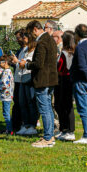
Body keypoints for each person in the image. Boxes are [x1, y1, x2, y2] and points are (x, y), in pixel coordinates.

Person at [20, 20, 58, 148]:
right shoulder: (51, 39)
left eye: (32, 33)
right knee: (48, 108)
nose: (32, 36)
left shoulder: (42, 42)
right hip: (50, 79)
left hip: (42, 80)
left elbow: (38, 64)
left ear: (36, 29)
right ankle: (50, 135)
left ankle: (47, 138)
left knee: (44, 109)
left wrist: (25, 64)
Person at [13, 31, 38, 136]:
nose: (22, 39)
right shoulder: (24, 49)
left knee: (30, 103)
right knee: (22, 102)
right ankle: (25, 124)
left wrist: (17, 62)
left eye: (24, 37)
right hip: (22, 78)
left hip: (29, 77)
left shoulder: (34, 50)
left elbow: (27, 63)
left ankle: (32, 125)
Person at [54, 30, 76, 142]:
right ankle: (64, 129)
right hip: (64, 79)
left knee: (66, 106)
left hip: (65, 79)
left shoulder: (66, 53)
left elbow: (62, 67)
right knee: (61, 105)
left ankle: (69, 130)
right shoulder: (70, 52)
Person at [0, 55, 15, 135]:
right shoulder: (7, 71)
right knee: (6, 112)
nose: (0, 63)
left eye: (1, 62)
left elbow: (5, 84)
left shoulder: (6, 72)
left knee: (6, 113)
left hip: (6, 96)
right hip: (7, 96)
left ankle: (9, 130)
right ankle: (8, 129)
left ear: (5, 62)